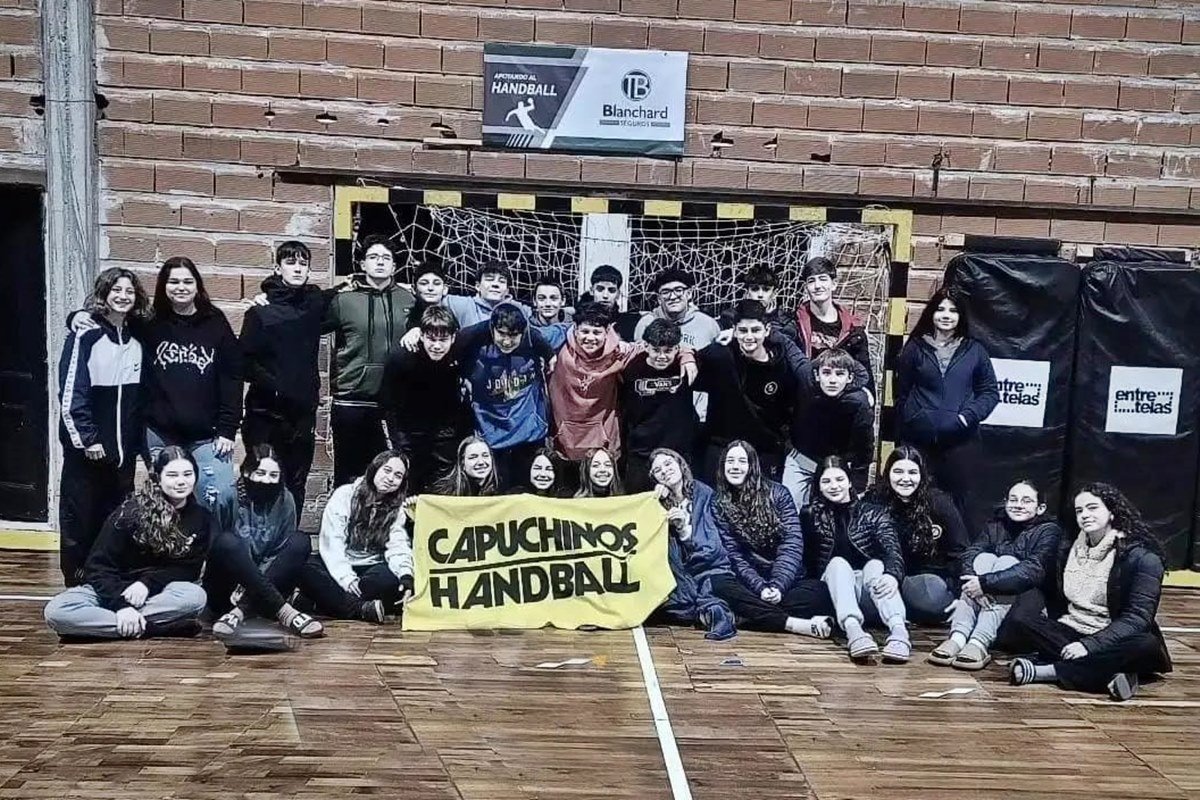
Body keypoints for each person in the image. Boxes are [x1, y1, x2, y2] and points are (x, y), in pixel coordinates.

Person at [1005, 483, 1172, 701]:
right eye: (1079, 510)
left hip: (1115, 636)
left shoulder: (1142, 558)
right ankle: (1111, 674)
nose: (1085, 515)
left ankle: (1048, 672)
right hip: (1072, 628)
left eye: (1093, 508)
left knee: (1145, 644)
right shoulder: (1069, 549)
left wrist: (1088, 645)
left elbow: (1137, 618)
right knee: (1021, 620)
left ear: (1112, 512)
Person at [44, 447, 213, 641]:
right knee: (56, 611)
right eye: (172, 475)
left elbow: (187, 570)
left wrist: (146, 584)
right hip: (111, 590)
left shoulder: (201, 518)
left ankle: (108, 626)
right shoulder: (130, 513)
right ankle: (153, 628)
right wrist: (121, 606)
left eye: (187, 474)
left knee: (195, 597)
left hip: (156, 594)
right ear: (158, 478)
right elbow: (98, 567)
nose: (181, 481)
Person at [57, 267, 149, 586]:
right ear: (104, 294)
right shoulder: (86, 334)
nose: (123, 296)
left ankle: (107, 578)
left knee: (117, 520)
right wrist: (87, 438)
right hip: (90, 452)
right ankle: (76, 581)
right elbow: (71, 392)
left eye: (129, 291)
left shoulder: (139, 337)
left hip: (122, 454)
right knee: (79, 517)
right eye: (116, 290)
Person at [708, 440, 835, 639]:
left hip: (786, 581)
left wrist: (777, 585)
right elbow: (734, 554)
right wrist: (760, 587)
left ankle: (747, 616)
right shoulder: (718, 502)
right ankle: (793, 624)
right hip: (748, 582)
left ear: (752, 466)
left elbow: (791, 544)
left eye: (742, 461)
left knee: (821, 593)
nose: (735, 466)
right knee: (719, 584)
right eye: (730, 461)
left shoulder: (779, 493)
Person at [929, 479, 1061, 671]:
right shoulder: (995, 525)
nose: (1018, 505)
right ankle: (958, 636)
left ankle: (979, 642)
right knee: (983, 558)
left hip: (1030, 596)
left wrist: (985, 584)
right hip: (985, 591)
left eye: (1026, 501)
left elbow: (1033, 570)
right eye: (1013, 499)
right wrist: (976, 584)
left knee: (1008, 562)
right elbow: (969, 555)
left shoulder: (1049, 531)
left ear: (1040, 508)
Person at [144, 257, 242, 508]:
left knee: (222, 497)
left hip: (207, 436)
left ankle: (214, 547)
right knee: (163, 501)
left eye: (188, 281)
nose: (181, 287)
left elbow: (231, 377)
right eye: (173, 281)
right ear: (163, 286)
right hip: (160, 433)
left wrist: (227, 429)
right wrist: (77, 317)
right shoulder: (149, 323)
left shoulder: (215, 321)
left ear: (198, 286)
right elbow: (113, 321)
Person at [895, 287, 998, 528]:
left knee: (962, 507)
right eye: (940, 309)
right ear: (931, 313)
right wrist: (915, 419)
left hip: (962, 444)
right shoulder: (914, 348)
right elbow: (901, 393)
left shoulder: (975, 351)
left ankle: (959, 560)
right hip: (920, 443)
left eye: (952, 310)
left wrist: (965, 418)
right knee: (915, 501)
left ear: (961, 316)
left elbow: (990, 393)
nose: (946, 315)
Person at [204, 445, 323, 642]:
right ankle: (286, 613)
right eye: (260, 473)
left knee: (300, 541)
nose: (267, 480)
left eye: (273, 475)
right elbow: (215, 549)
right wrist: (243, 581)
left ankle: (240, 613)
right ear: (247, 472)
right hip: (227, 586)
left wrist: (252, 587)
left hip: (267, 587)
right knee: (227, 542)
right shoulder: (228, 496)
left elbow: (280, 553)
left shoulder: (286, 500)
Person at [324, 235, 417, 485]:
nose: (380, 263)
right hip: (352, 399)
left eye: (386, 258)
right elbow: (307, 319)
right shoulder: (343, 300)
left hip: (397, 401)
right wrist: (269, 300)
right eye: (373, 257)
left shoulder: (409, 300)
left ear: (394, 267)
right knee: (349, 476)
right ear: (363, 264)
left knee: (394, 475)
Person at [240, 240, 325, 511]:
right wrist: (276, 386)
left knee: (295, 484)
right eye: (291, 262)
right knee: (261, 478)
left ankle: (287, 546)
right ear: (278, 268)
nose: (297, 268)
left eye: (303, 263)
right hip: (265, 414)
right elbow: (244, 362)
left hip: (301, 416)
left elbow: (344, 293)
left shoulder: (314, 304)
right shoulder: (260, 311)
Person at [802, 457, 908, 662]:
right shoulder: (810, 515)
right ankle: (854, 632)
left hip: (872, 590)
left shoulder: (873, 513)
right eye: (827, 481)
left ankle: (899, 631)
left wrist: (893, 575)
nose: (834, 486)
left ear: (849, 481)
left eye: (839, 479)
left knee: (876, 565)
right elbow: (806, 559)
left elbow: (892, 552)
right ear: (819, 486)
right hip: (835, 589)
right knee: (838, 564)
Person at [297, 450, 414, 623]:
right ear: (375, 469)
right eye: (387, 470)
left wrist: (406, 575)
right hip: (338, 565)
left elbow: (397, 546)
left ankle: (319, 603)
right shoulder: (344, 495)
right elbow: (332, 542)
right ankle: (360, 609)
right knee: (304, 568)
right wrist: (346, 578)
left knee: (392, 580)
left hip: (371, 567)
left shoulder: (397, 509)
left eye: (398, 476)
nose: (390, 478)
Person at [694, 300, 804, 482]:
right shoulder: (720, 356)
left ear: (767, 330)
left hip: (763, 452)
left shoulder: (782, 366)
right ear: (734, 330)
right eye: (743, 331)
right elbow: (691, 362)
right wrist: (687, 357)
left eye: (755, 330)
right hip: (722, 447)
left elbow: (790, 411)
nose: (749, 337)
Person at [866, 445, 970, 624]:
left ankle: (897, 608)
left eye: (912, 473)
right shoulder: (875, 501)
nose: (905, 479)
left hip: (924, 579)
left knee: (932, 596)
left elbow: (960, 552)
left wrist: (964, 598)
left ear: (922, 475)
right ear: (887, 472)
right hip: (886, 576)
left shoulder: (939, 502)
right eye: (898, 471)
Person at [457, 304, 555, 489]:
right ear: (492, 329)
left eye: (513, 336)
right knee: (495, 494)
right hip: (491, 435)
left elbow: (569, 329)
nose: (507, 341)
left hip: (529, 435)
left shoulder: (535, 341)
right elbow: (445, 342)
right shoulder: (472, 342)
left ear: (523, 333)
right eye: (502, 334)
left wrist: (550, 355)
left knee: (527, 494)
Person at [381, 306, 472, 492]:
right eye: (431, 339)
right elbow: (387, 404)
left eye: (443, 340)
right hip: (410, 435)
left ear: (454, 338)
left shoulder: (462, 353)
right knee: (408, 490)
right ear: (421, 336)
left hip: (446, 435)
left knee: (444, 491)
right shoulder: (401, 358)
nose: (437, 346)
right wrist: (398, 441)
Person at [649, 448, 737, 640]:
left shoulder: (704, 494)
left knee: (710, 591)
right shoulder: (656, 501)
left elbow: (711, 548)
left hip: (708, 567)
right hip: (678, 572)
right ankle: (703, 612)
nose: (664, 471)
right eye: (657, 470)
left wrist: (683, 529)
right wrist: (655, 502)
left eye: (668, 464)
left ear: (680, 464)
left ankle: (714, 614)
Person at [781, 348, 874, 510]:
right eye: (826, 373)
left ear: (850, 377)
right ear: (817, 375)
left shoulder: (859, 402)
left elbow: (865, 444)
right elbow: (791, 351)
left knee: (844, 514)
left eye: (839, 374)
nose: (832, 380)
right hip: (802, 459)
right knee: (789, 509)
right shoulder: (805, 378)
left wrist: (858, 483)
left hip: (838, 466)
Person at [620, 319, 698, 492]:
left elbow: (715, 352)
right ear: (646, 346)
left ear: (677, 348)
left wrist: (688, 355)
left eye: (668, 351)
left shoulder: (687, 367)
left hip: (678, 454)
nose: (662, 356)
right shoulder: (630, 368)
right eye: (656, 350)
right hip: (641, 455)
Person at [795, 257, 875, 397]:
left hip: (840, 399)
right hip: (805, 398)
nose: (818, 286)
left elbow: (865, 377)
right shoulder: (794, 323)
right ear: (806, 287)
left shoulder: (854, 331)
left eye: (823, 279)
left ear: (834, 284)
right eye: (811, 281)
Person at [632, 268, 720, 350]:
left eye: (678, 290)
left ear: (689, 294)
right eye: (666, 292)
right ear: (659, 299)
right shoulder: (646, 323)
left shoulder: (708, 324)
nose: (673, 297)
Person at [718, 266, 796, 340]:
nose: (760, 295)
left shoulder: (786, 322)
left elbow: (784, 346)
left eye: (766, 290)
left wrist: (768, 318)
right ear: (747, 291)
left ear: (774, 293)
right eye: (755, 289)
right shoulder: (730, 316)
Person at [444, 261, 531, 328]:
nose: (495, 284)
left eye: (502, 281)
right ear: (478, 286)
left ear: (507, 291)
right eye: (489, 279)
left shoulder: (521, 310)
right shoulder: (463, 305)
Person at [576, 264, 641, 341]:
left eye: (611, 290)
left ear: (618, 294)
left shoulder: (627, 325)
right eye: (600, 289)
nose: (605, 295)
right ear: (592, 291)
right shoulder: (579, 318)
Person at [432, 436, 501, 497]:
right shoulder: (444, 494)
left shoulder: (502, 490)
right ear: (462, 464)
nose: (481, 462)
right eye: (473, 457)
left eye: (485, 456)